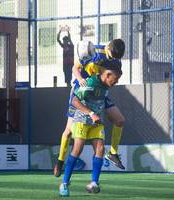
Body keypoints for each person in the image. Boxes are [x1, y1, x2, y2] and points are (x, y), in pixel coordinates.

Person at [54, 39, 126, 177]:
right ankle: (60, 161)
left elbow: (112, 78)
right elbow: (75, 68)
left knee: (120, 120)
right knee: (68, 132)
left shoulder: (117, 61)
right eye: (111, 55)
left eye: (115, 58)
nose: (112, 59)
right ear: (108, 46)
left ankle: (113, 153)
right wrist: (81, 79)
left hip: (99, 94)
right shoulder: (93, 51)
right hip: (81, 92)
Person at [59, 65, 122, 196]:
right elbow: (75, 101)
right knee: (78, 149)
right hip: (82, 119)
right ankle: (64, 183)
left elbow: (100, 101)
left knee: (100, 149)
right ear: (107, 75)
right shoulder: (91, 82)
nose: (116, 83)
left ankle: (94, 182)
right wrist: (91, 113)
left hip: (96, 122)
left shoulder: (106, 86)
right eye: (115, 80)